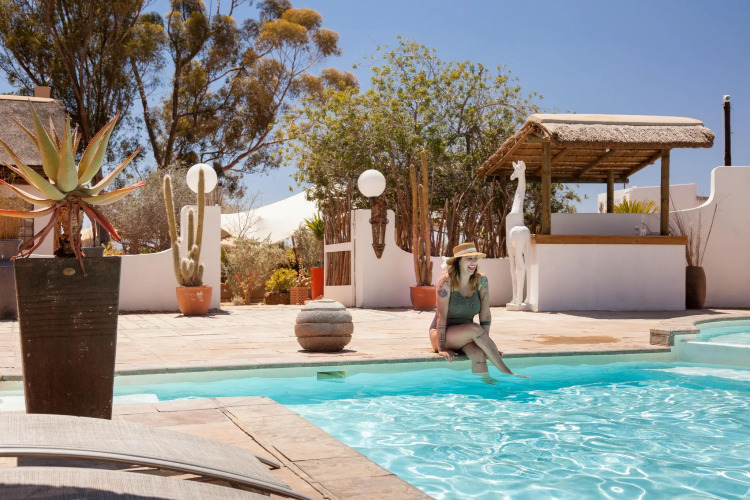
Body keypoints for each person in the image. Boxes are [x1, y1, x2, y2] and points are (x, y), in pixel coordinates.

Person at [429, 242, 526, 379]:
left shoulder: (481, 281)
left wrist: (485, 344)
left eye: (475, 258)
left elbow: (485, 314)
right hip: (441, 334)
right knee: (474, 328)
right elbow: (441, 315)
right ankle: (508, 372)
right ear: (458, 262)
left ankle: (486, 384)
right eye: (469, 258)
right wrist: (441, 348)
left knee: (479, 354)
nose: (473, 262)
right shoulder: (446, 282)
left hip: (467, 334)